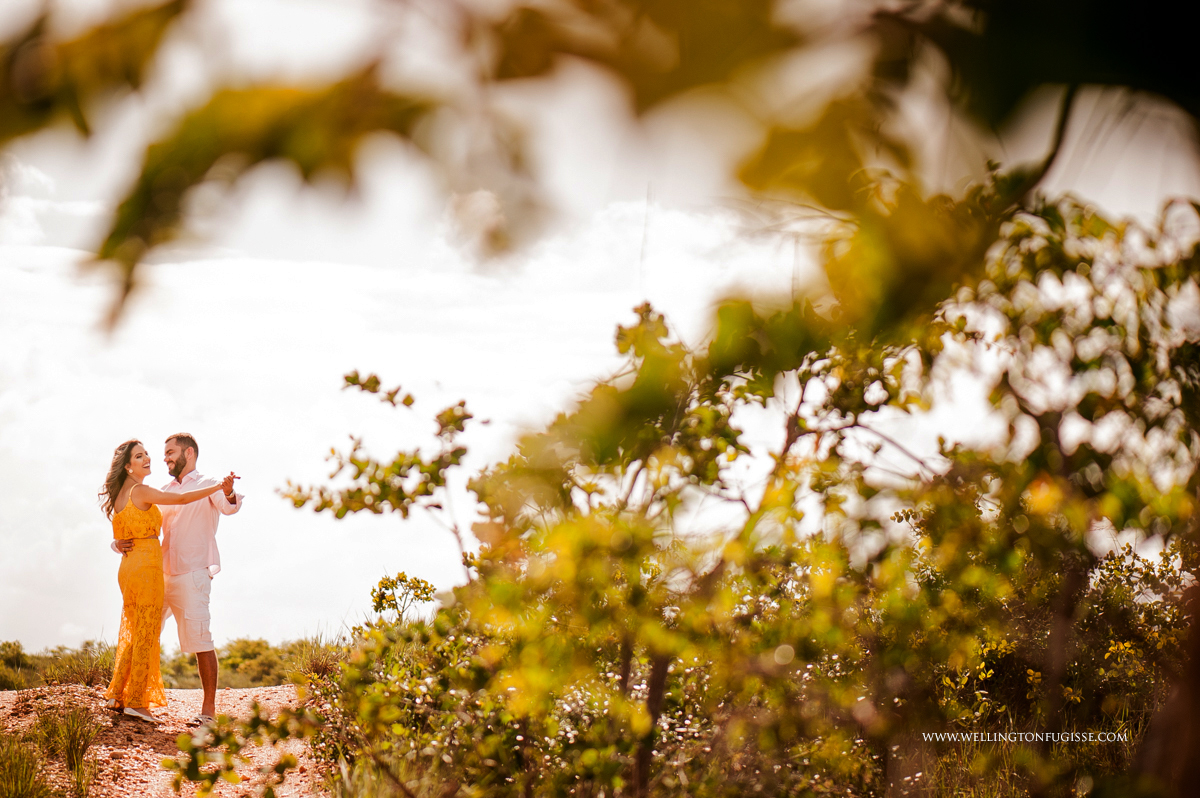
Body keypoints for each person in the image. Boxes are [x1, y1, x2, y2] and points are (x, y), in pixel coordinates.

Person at [99, 439, 236, 723]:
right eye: (146, 455)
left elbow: (229, 506)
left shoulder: (207, 482)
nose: (160, 459)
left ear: (189, 452)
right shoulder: (154, 491)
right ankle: (131, 698)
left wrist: (227, 490)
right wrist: (117, 543)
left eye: (167, 453)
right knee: (143, 633)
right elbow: (166, 507)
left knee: (182, 638)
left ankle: (204, 711)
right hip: (154, 571)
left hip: (180, 572)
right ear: (128, 465)